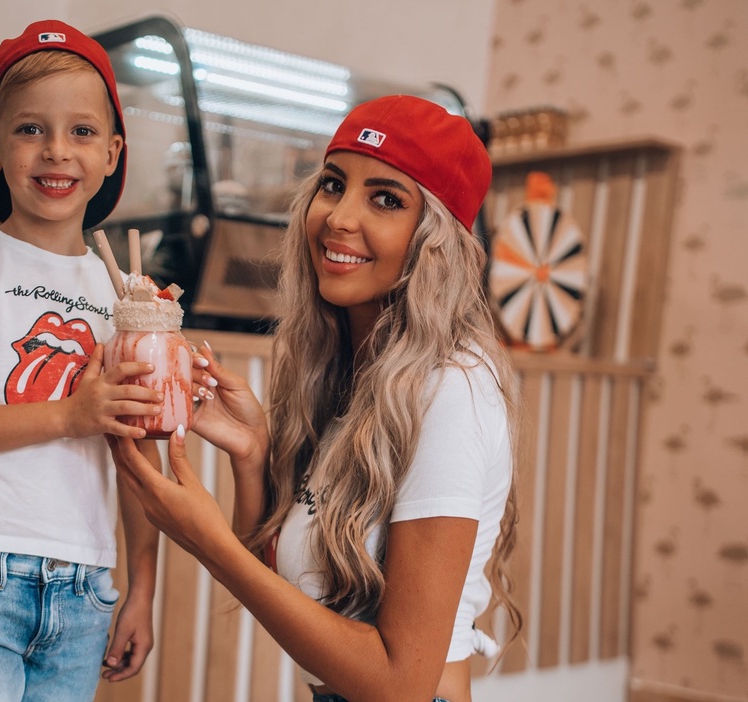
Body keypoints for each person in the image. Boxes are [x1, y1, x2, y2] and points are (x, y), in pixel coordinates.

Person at [111, 95, 523, 702]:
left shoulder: (451, 387)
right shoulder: (351, 372)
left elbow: (401, 683)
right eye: (333, 185)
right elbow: (282, 584)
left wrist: (208, 541)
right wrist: (252, 453)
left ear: (434, 240)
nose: (339, 218)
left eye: (386, 199)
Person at [0, 20, 162, 701]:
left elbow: (137, 458)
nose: (56, 151)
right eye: (30, 129)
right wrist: (70, 416)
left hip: (86, 584)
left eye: (82, 131)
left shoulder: (124, 294)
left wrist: (142, 588)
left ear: (112, 153)